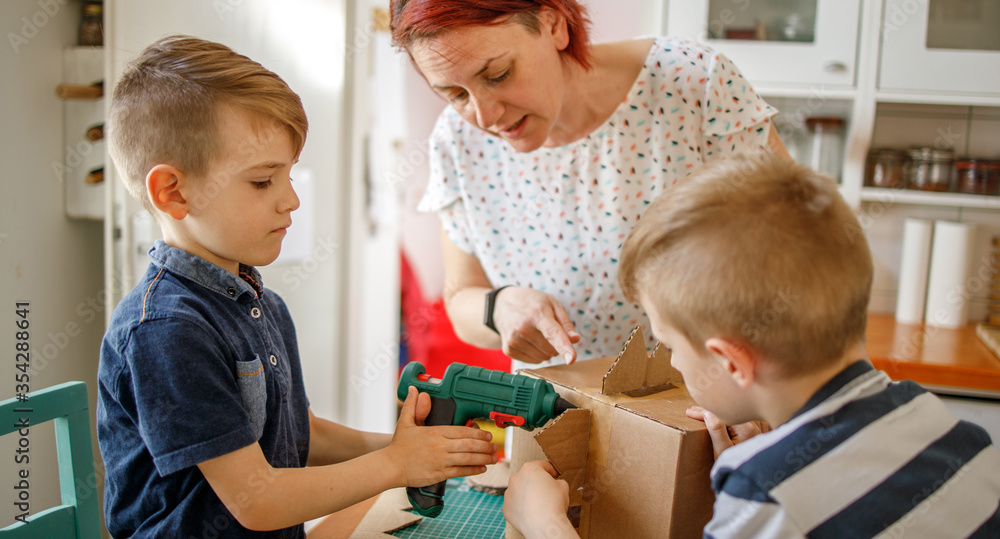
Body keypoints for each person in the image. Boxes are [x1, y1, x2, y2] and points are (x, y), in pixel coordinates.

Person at [96, 35, 497, 538]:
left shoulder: (261, 305)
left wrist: (404, 445)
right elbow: (257, 501)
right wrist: (398, 466)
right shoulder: (167, 331)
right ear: (173, 193)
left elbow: (298, 436)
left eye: (289, 176)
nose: (290, 200)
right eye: (263, 181)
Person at [503, 153, 1000, 538]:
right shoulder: (944, 424)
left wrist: (545, 526)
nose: (672, 361)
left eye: (670, 345)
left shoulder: (764, 490)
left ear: (730, 362)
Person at [389, 0, 789, 366]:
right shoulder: (457, 142)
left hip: (706, 403)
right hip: (552, 414)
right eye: (455, 94)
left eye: (498, 74)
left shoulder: (693, 84)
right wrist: (501, 308)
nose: (485, 115)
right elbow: (461, 299)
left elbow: (799, 248)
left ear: (555, 25)